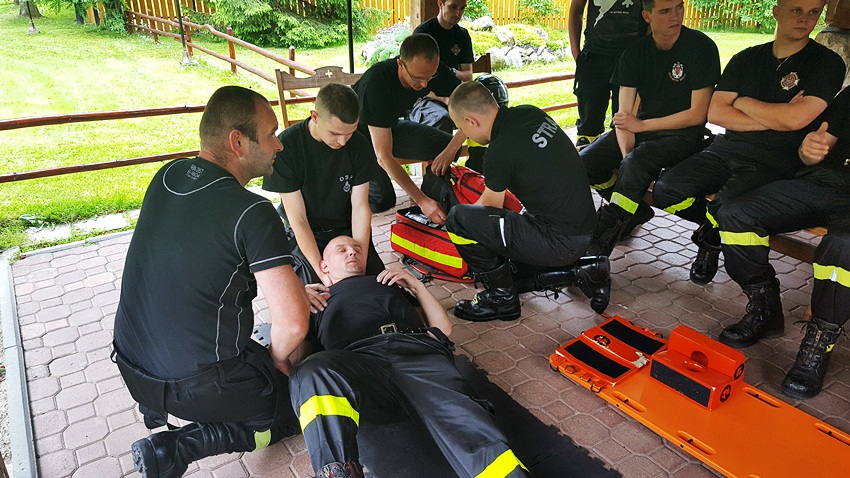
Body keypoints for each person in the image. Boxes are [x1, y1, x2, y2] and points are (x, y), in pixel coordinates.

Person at [112, 86, 310, 478]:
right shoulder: (252, 211)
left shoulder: (167, 175)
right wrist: (277, 360)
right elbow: (293, 323)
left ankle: (168, 414)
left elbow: (199, 262)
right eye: (271, 133)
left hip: (132, 364)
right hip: (193, 384)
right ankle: (177, 448)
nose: (279, 145)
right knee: (295, 408)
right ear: (238, 142)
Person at [289, 236, 530, 478]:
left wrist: (417, 286)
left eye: (357, 249)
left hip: (417, 353)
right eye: (342, 250)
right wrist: (297, 306)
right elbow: (293, 360)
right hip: (360, 364)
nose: (352, 253)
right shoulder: (317, 299)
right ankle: (337, 472)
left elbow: (442, 329)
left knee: (467, 421)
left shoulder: (387, 281)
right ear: (324, 266)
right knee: (310, 370)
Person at [651, 0, 845, 286]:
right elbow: (716, 112)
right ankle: (712, 233)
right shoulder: (746, 58)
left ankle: (711, 238)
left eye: (813, 12)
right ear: (777, 11)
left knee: (727, 207)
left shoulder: (827, 63)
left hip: (777, 160)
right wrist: (776, 116)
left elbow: (796, 120)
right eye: (796, 10)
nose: (805, 19)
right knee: (667, 190)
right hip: (726, 147)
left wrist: (741, 103)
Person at [712, 86, 849, 399]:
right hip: (824, 183)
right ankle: (764, 305)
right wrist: (809, 150)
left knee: (842, 246)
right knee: (736, 213)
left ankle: (820, 341)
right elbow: (816, 146)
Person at [445, 81, 609, 322]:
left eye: (461, 128)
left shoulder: (498, 151)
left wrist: (457, 227)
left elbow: (488, 208)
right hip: (582, 224)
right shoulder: (529, 113)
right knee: (513, 275)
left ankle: (502, 301)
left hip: (561, 240)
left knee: (458, 219)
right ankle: (586, 269)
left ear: (471, 121)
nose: (466, 134)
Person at [581, 0, 721, 257]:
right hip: (641, 131)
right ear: (647, 15)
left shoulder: (700, 47)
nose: (675, 16)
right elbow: (623, 117)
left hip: (684, 134)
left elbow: (698, 114)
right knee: (585, 163)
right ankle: (634, 210)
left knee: (637, 163)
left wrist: (641, 129)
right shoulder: (636, 52)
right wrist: (627, 157)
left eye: (679, 7)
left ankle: (596, 251)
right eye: (665, 11)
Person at [262, 84, 383, 285]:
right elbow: (297, 218)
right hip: (309, 230)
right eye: (335, 133)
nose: (343, 141)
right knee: (315, 292)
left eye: (350, 133)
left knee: (376, 283)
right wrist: (323, 271)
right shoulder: (287, 147)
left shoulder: (359, 144)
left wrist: (358, 257)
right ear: (315, 116)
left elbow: (361, 207)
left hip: (346, 230)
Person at [353, 33, 468, 223]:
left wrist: (452, 148)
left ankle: (433, 190)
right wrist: (421, 201)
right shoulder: (376, 83)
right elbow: (383, 156)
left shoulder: (434, 72)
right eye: (417, 78)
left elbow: (473, 106)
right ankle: (342, 187)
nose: (424, 85)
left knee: (447, 147)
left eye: (430, 77)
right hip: (357, 137)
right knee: (382, 198)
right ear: (400, 64)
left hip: (390, 127)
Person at [568, 0, 647, 149]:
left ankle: (621, 167)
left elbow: (653, 12)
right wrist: (576, 53)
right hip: (594, 55)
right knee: (588, 124)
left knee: (625, 122)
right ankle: (588, 167)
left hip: (632, 56)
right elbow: (576, 9)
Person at [411, 0, 474, 133]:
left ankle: (478, 154)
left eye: (462, 8)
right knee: (442, 118)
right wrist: (444, 99)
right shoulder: (423, 34)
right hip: (425, 98)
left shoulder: (462, 36)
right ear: (440, 4)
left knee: (481, 111)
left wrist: (449, 71)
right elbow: (415, 81)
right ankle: (443, 154)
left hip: (455, 97)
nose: (458, 13)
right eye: (453, 7)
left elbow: (468, 76)